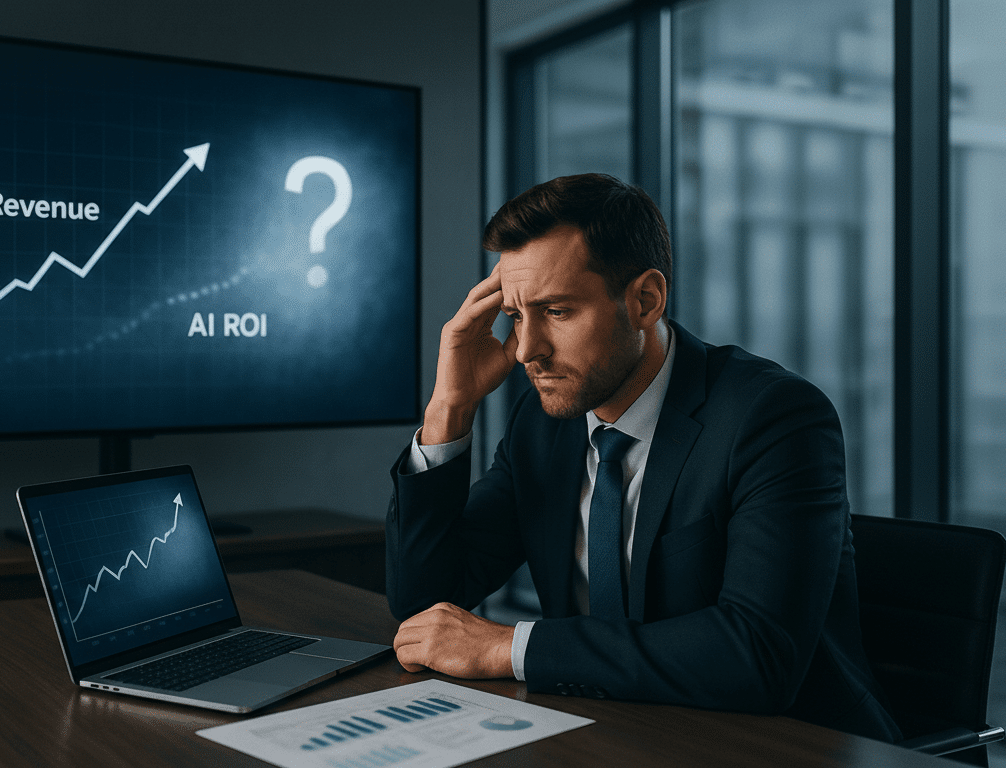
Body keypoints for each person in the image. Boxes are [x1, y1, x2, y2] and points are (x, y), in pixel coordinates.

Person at [385, 173, 900, 742]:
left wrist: (509, 647)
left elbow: (757, 655)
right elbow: (422, 605)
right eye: (515, 316)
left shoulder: (774, 417)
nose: (527, 350)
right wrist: (449, 408)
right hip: (611, 734)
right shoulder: (544, 424)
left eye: (557, 312)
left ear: (645, 301)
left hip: (785, 745)